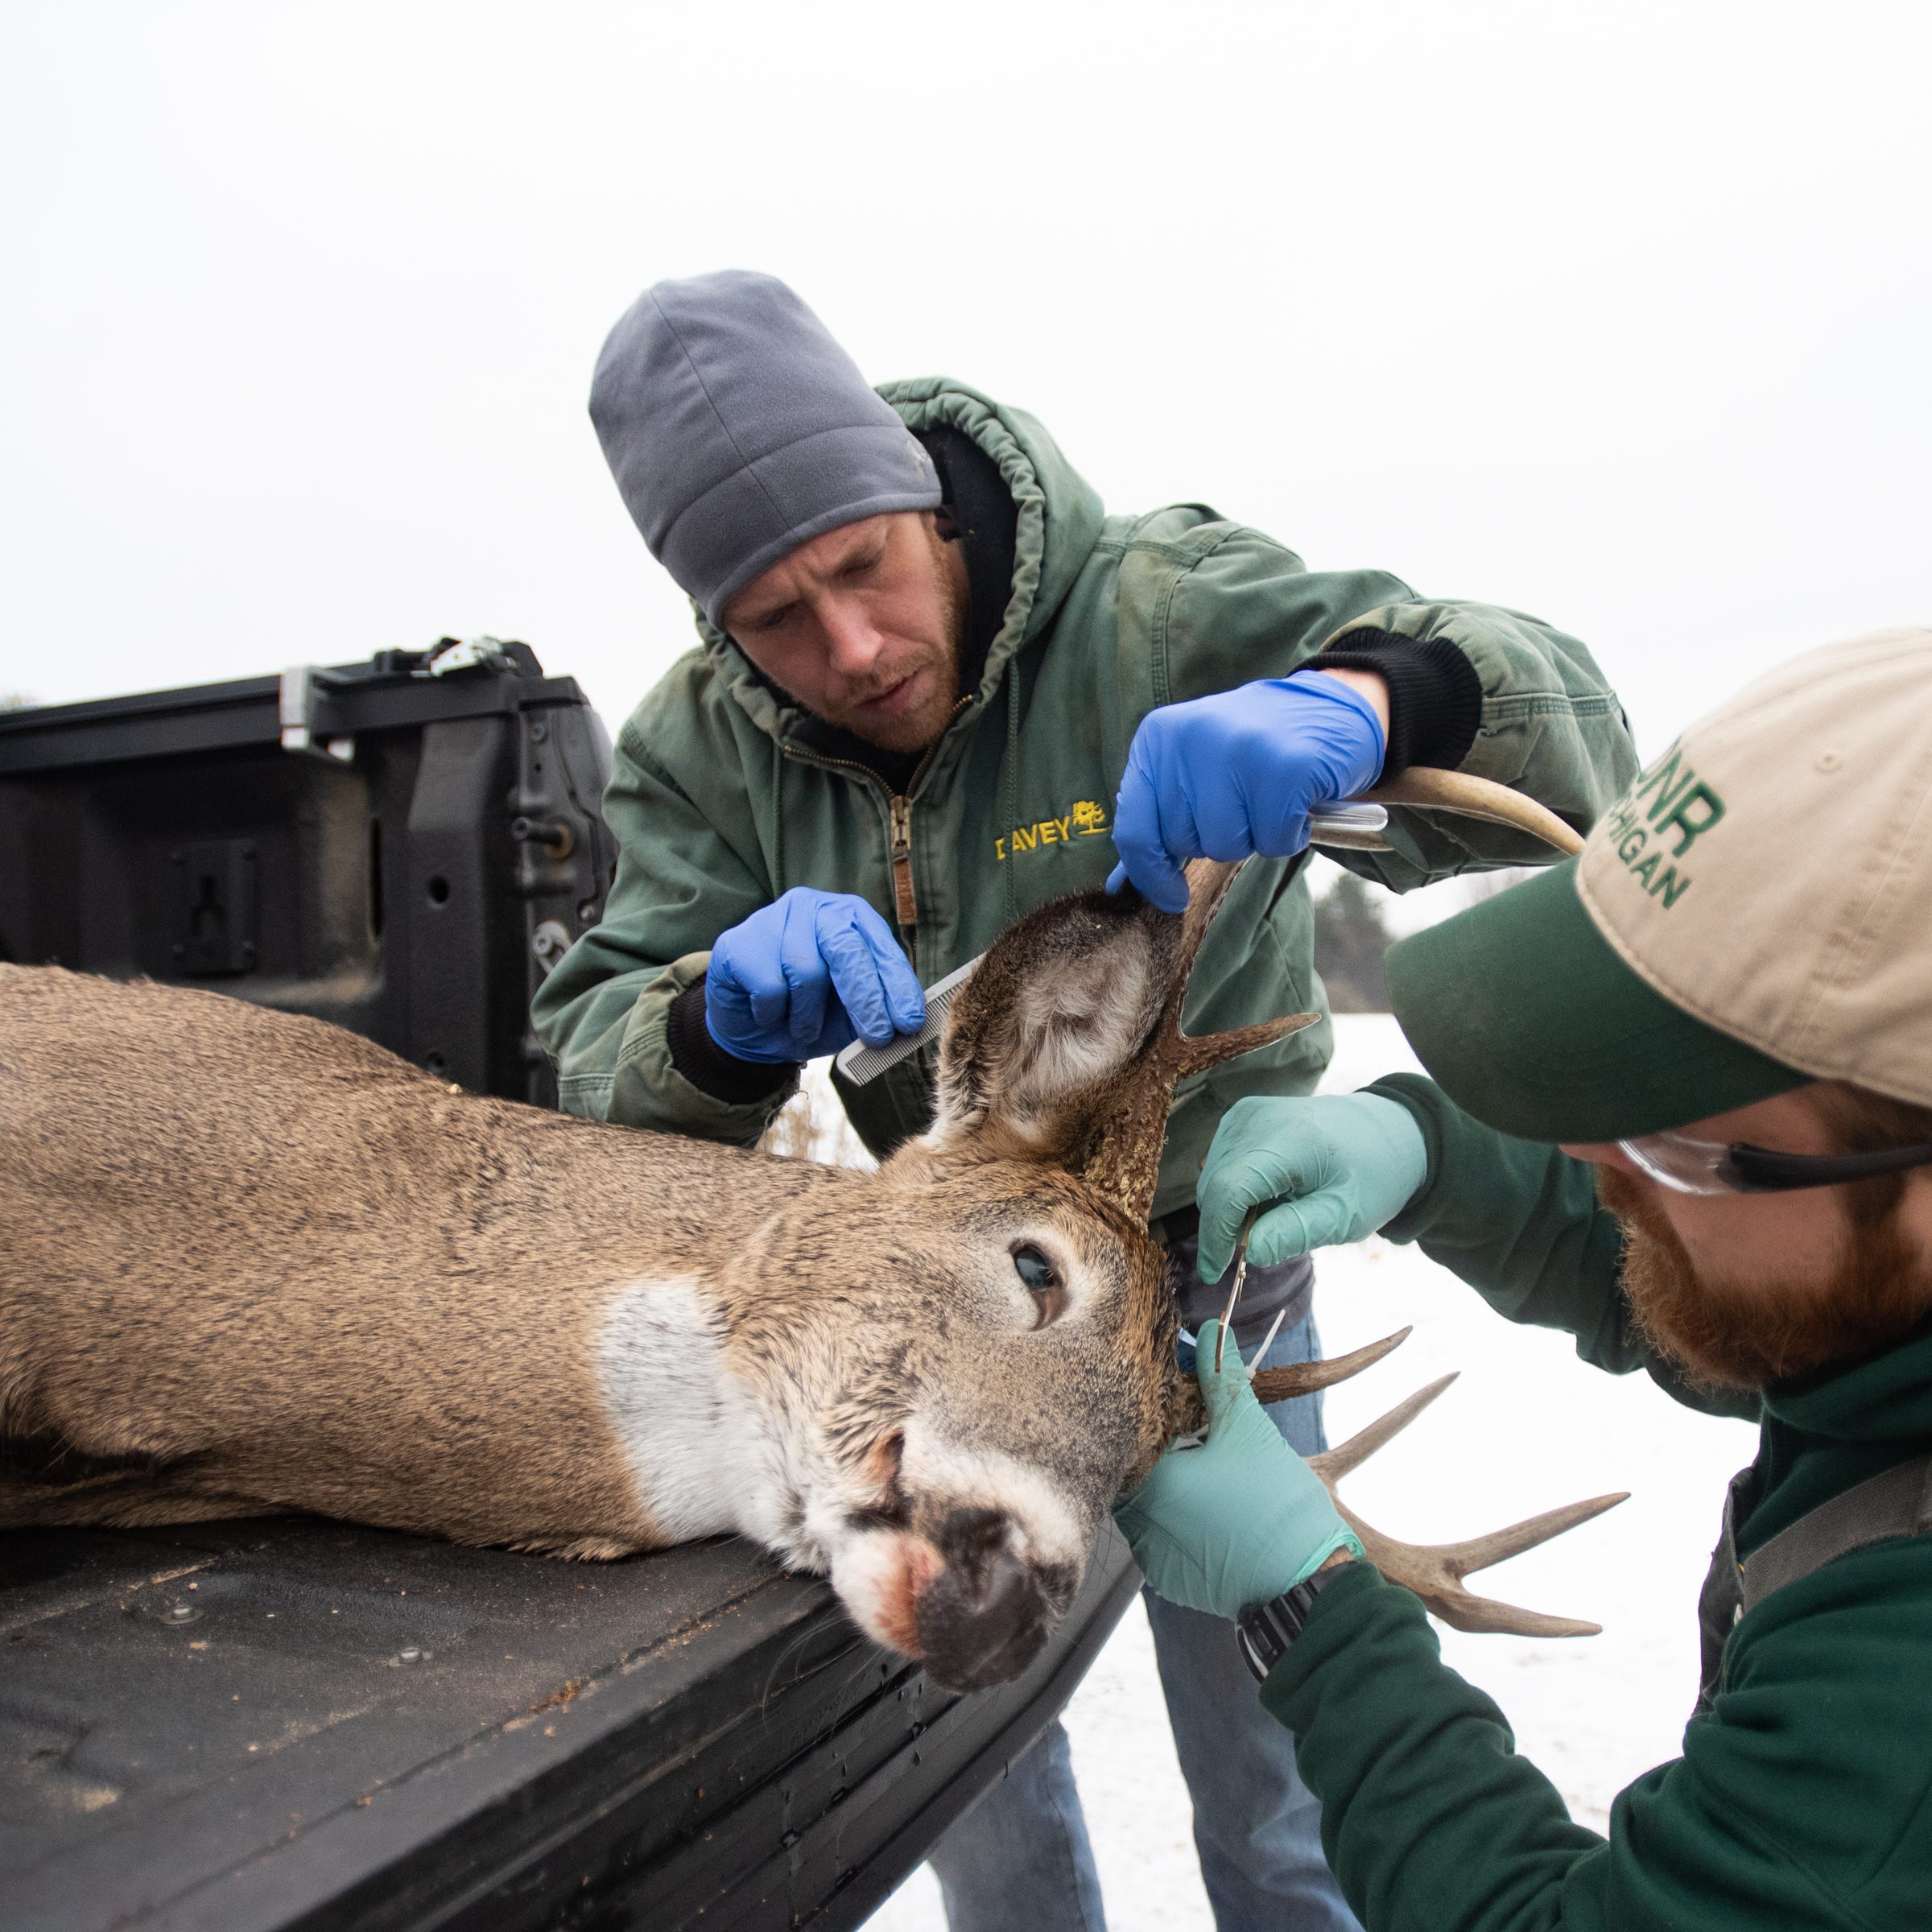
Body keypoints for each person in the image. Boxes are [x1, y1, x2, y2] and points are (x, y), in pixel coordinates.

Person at [533, 269, 1637, 1932]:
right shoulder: (703, 749)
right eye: (773, 618)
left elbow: (1574, 741)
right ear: (712, 626)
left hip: (1220, 1279)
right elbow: (593, 1047)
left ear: (914, 495)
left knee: (1278, 1786)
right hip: (944, 1313)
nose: (848, 648)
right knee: (962, 1771)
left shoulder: (1155, 609)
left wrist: (1369, 704)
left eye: (862, 569)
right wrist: (714, 1025)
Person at [1117, 628, 1932, 1930]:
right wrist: (1430, 1152)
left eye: (1676, 1132)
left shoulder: (1901, 1741)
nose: (1588, 1155)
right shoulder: (1872, 1287)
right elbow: (1787, 1307)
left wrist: (1309, 1608)